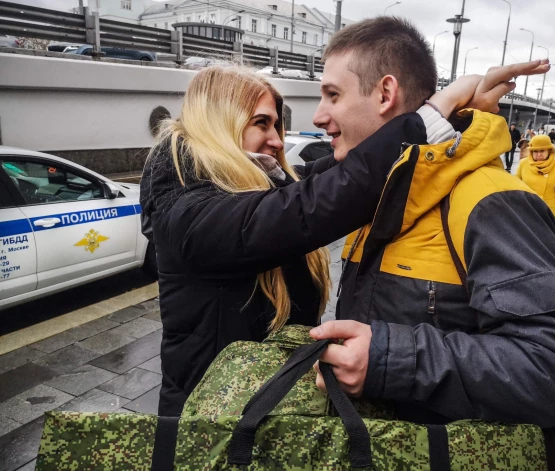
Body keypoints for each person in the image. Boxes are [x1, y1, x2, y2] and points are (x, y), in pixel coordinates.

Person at [139, 65, 499, 415]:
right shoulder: (186, 211)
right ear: (218, 124)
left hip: (261, 408)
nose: (277, 139)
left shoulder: (259, 188)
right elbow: (318, 201)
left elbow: (336, 173)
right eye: (261, 123)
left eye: (277, 124)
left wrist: (457, 117)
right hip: (211, 424)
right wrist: (432, 112)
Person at [309, 16, 555, 429]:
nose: (318, 117)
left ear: (385, 93)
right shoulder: (385, 190)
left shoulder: (491, 201)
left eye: (332, 95)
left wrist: (387, 360)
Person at [516, 135, 555, 230]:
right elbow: (515, 188)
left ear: (549, 150)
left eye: (542, 151)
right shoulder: (523, 164)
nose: (539, 154)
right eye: (535, 151)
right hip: (526, 211)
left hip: (548, 213)